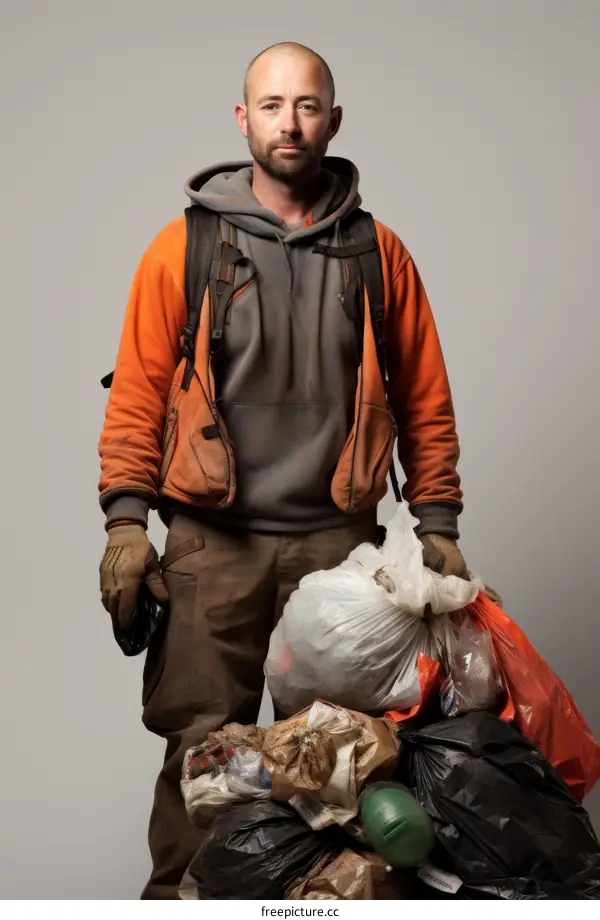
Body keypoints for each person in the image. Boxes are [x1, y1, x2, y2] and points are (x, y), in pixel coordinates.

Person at [98, 41, 468, 900]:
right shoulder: (179, 249)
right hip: (210, 547)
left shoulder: (381, 254)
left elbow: (426, 400)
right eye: (271, 105)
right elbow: (139, 394)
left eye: (306, 106)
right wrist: (125, 525)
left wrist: (439, 525)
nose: (289, 123)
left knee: (348, 763)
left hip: (339, 553)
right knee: (202, 757)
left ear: (332, 121)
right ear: (243, 120)